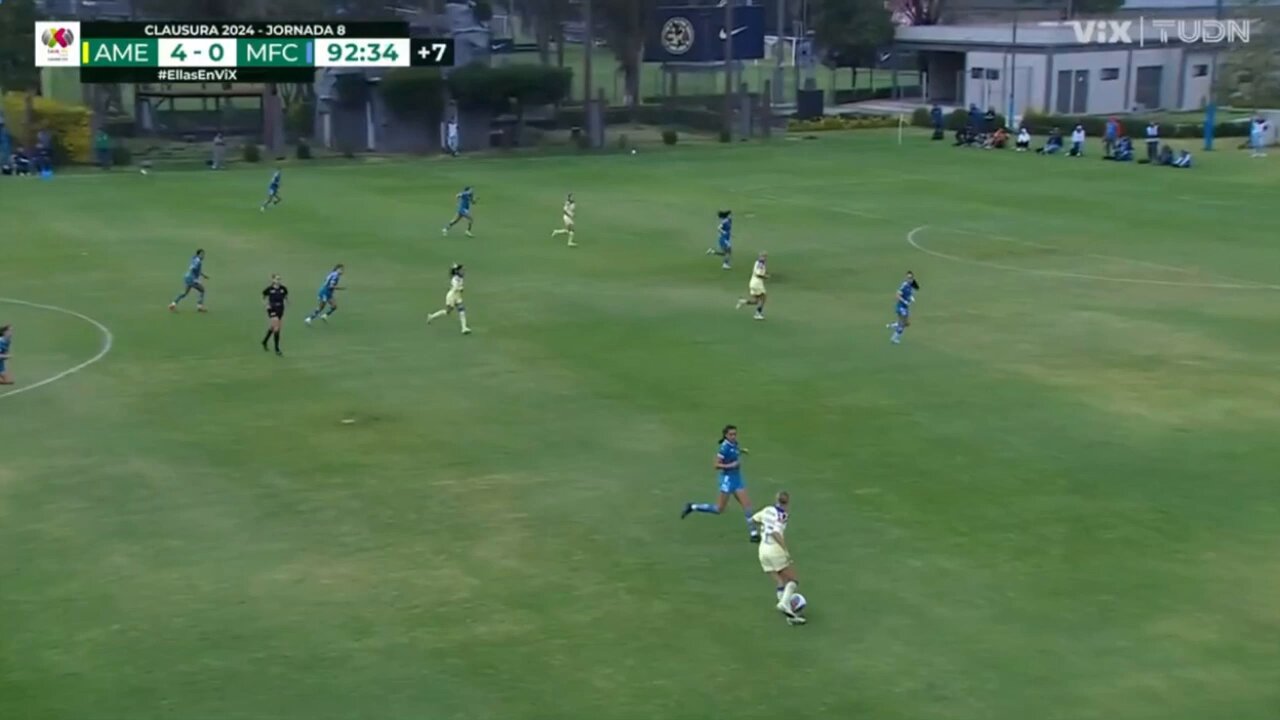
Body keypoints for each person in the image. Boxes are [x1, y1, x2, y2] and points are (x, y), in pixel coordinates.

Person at [681, 424, 761, 544]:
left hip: (737, 479)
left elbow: (734, 451)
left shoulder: (734, 443)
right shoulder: (723, 448)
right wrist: (731, 465)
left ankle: (753, 534)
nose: (733, 436)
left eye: (735, 434)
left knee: (747, 505)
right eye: (731, 434)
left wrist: (741, 451)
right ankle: (693, 507)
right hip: (727, 480)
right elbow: (716, 465)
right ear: (725, 435)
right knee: (719, 509)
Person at [751, 491, 805, 625]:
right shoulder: (782, 515)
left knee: (781, 581)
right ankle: (784, 604)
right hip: (775, 551)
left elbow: (753, 519)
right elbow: (775, 532)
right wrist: (785, 550)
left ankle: (791, 617)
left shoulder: (767, 509)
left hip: (762, 550)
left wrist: (761, 530)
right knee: (793, 580)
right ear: (787, 502)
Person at [425, 263, 472, 335]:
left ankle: (464, 328)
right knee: (448, 312)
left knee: (462, 310)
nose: (463, 271)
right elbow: (455, 288)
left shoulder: (460, 278)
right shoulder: (455, 279)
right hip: (452, 296)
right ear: (457, 271)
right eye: (461, 270)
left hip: (457, 296)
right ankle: (431, 316)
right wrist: (461, 288)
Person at [887, 270, 920, 344]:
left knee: (907, 323)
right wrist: (904, 301)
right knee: (902, 324)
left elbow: (908, 293)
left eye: (911, 278)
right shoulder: (904, 285)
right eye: (908, 278)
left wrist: (911, 297)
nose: (910, 279)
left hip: (905, 307)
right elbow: (897, 295)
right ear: (906, 278)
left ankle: (893, 325)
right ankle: (894, 338)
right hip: (901, 307)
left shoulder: (910, 286)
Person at [735, 252, 768, 320]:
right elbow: (758, 274)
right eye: (763, 256)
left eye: (765, 256)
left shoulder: (757, 262)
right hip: (757, 283)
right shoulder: (761, 264)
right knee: (763, 298)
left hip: (752, 283)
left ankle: (742, 301)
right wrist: (765, 277)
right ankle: (758, 314)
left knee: (756, 301)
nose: (765, 258)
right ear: (760, 257)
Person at [261, 274, 288, 355]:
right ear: (273, 280)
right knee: (276, 328)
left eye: (279, 279)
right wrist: (266, 305)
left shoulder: (283, 289)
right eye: (277, 279)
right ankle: (277, 349)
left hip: (280, 309)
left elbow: (285, 296)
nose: (278, 280)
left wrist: (288, 302)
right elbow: (263, 296)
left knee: (274, 327)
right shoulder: (269, 289)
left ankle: (264, 341)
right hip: (272, 309)